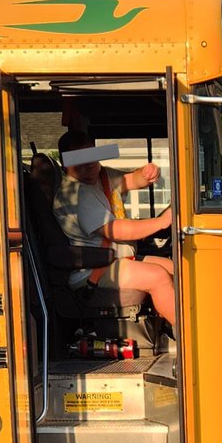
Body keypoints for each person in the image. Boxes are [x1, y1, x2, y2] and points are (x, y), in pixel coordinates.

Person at [53, 128, 176, 327]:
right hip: (95, 270)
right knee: (158, 276)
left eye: (91, 158)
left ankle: (170, 329)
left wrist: (146, 174)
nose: (88, 166)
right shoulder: (75, 194)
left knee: (177, 269)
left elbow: (130, 180)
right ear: (66, 164)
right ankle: (190, 339)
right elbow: (116, 230)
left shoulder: (102, 177)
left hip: (117, 259)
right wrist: (161, 222)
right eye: (79, 162)